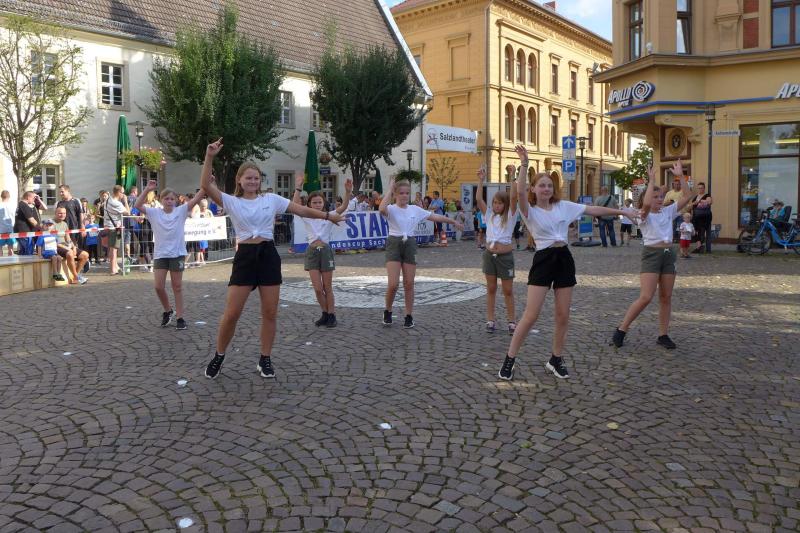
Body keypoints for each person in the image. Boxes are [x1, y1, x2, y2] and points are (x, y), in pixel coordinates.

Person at [200, 138, 344, 380]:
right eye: (248, 178)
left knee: (269, 312)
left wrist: (328, 216)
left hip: (268, 255)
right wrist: (209, 156)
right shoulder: (232, 201)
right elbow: (205, 184)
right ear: (239, 180)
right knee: (232, 313)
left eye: (256, 178)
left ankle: (265, 358)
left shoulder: (271, 200)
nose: (253, 181)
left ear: (260, 181)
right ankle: (219, 354)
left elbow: (301, 210)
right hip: (245, 257)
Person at [499, 145, 636, 381]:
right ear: (534, 189)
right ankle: (509, 359)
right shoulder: (529, 209)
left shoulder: (564, 206)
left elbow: (593, 209)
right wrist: (524, 164)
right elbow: (519, 192)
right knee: (531, 315)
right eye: (542, 185)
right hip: (543, 259)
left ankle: (556, 358)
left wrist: (622, 212)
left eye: (549, 185)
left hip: (564, 258)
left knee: (563, 315)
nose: (546, 189)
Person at [612, 160, 692, 351]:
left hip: (668, 255)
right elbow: (647, 203)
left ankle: (663, 335)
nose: (658, 199)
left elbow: (688, 196)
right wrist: (652, 181)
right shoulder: (643, 215)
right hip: (652, 254)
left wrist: (680, 176)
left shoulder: (668, 211)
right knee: (646, 296)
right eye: (655, 196)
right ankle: (622, 329)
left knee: (666, 296)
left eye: (660, 196)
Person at [379, 177, 463, 329]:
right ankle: (388, 310)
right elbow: (381, 209)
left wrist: (453, 221)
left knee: (409, 283)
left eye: (407, 193)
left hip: (410, 243)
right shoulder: (391, 208)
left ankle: (408, 315)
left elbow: (434, 216)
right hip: (394, 242)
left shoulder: (414, 209)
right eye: (401, 193)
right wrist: (390, 189)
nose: (404, 196)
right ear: (395, 194)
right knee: (393, 284)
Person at [136, 180, 205, 330]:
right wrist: (147, 189)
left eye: (172, 199)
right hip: (161, 254)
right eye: (166, 198)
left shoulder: (181, 211)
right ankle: (168, 310)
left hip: (177, 253)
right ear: (161, 200)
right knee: (158, 286)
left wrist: (206, 185)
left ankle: (180, 317)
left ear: (176, 200)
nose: (169, 201)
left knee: (177, 286)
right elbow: (137, 205)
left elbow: (197, 199)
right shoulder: (154, 213)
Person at [293, 174, 352, 328]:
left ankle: (331, 314)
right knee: (318, 289)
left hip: (325, 251)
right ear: (309, 204)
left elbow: (343, 207)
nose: (317, 205)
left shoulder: (330, 215)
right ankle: (324, 313)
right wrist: (298, 187)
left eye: (320, 202)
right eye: (314, 202)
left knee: (327, 287)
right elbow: (294, 205)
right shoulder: (306, 216)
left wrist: (347, 192)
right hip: (312, 252)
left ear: (324, 203)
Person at [476, 165, 517, 336]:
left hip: (505, 257)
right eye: (494, 202)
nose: (496, 205)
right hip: (489, 256)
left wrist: (512, 177)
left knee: (508, 290)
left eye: (499, 203)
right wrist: (481, 180)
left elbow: (514, 197)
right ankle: (490, 319)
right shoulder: (489, 215)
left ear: (505, 204)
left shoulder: (511, 215)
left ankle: (511, 321)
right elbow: (479, 199)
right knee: (491, 288)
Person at [53, 206, 89, 284]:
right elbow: (53, 241)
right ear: (55, 213)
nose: (62, 215)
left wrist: (74, 246)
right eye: (60, 213)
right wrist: (67, 248)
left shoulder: (65, 224)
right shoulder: (51, 224)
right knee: (70, 253)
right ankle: (77, 277)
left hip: (65, 246)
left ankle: (74, 276)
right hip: (55, 246)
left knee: (85, 255)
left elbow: (68, 238)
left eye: (64, 213)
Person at [104, 186, 130, 275]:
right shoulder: (117, 203)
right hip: (115, 227)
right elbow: (128, 212)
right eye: (123, 192)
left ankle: (115, 266)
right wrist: (125, 201)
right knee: (114, 249)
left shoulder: (108, 199)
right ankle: (113, 269)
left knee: (113, 248)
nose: (124, 194)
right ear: (118, 192)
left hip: (111, 226)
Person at [14, 191, 42, 255]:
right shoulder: (24, 205)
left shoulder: (20, 204)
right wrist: (41, 228)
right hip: (25, 233)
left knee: (23, 253)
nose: (34, 199)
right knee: (28, 253)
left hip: (21, 232)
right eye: (33, 198)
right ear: (28, 197)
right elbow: (31, 220)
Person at [690, 182, 713, 253]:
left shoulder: (707, 195)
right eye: (699, 188)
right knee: (694, 231)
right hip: (695, 217)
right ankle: (699, 246)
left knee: (701, 231)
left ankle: (700, 247)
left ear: (704, 188)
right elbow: (691, 207)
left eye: (701, 188)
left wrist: (700, 201)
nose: (700, 189)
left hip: (704, 217)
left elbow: (709, 202)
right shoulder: (695, 197)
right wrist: (693, 204)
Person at [0, 190, 16, 256]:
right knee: (11, 249)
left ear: (1, 196)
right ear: (9, 196)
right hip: (10, 228)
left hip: (1, 229)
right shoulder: (13, 205)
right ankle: (11, 260)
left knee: (0, 249)